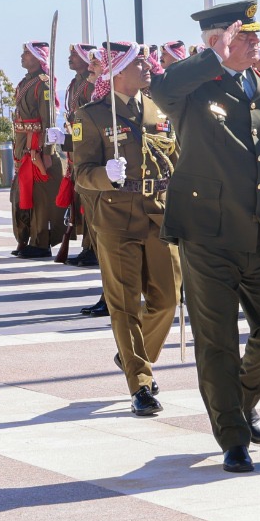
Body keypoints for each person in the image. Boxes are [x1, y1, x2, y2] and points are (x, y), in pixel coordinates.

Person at [155, 0, 260, 474]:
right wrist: (212, 57)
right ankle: (233, 437)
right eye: (245, 34)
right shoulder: (192, 88)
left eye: (258, 33)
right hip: (208, 232)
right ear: (218, 40)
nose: (257, 41)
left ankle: (237, 401)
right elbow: (162, 86)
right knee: (216, 341)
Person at [71, 42, 182, 417]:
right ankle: (141, 383)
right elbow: (82, 173)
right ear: (117, 71)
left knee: (168, 298)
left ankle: (134, 357)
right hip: (116, 218)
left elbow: (175, 159)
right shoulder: (90, 116)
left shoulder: (157, 109)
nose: (148, 66)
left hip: (159, 213)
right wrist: (106, 174)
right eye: (138, 62)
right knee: (124, 304)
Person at [10, 42, 64, 259]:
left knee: (40, 197)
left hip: (36, 146)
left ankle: (41, 242)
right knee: (22, 193)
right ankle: (26, 237)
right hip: (23, 144)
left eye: (27, 53)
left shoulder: (43, 84)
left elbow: (49, 120)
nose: (22, 56)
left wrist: (48, 152)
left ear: (37, 57)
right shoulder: (26, 82)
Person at [56, 44, 97, 266]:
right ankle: (87, 246)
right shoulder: (74, 84)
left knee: (88, 199)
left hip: (87, 145)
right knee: (80, 199)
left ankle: (93, 248)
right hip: (76, 145)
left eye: (74, 55)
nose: (70, 59)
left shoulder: (91, 84)